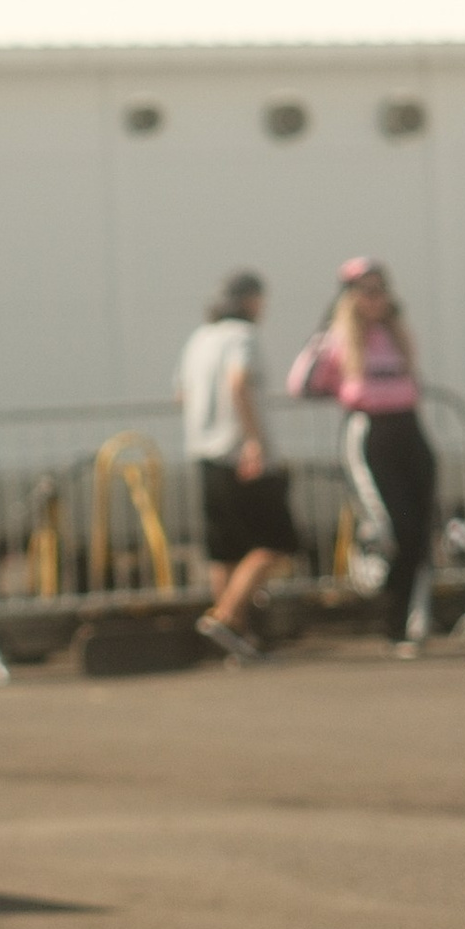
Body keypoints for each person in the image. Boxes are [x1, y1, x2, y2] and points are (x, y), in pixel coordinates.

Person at [293, 257, 437, 653]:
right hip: (369, 432)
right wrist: (325, 331)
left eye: (381, 290)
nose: (375, 299)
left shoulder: (397, 334)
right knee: (393, 526)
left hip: (409, 430)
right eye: (366, 291)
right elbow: (302, 384)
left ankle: (408, 623)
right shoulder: (339, 338)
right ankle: (369, 553)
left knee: (419, 532)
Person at [176, 270, 299, 663]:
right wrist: (253, 442)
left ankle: (238, 640)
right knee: (275, 541)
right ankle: (226, 617)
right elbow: (238, 383)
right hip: (239, 453)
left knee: (224, 550)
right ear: (250, 300)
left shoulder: (200, 338)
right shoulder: (242, 337)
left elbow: (182, 393)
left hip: (204, 452)